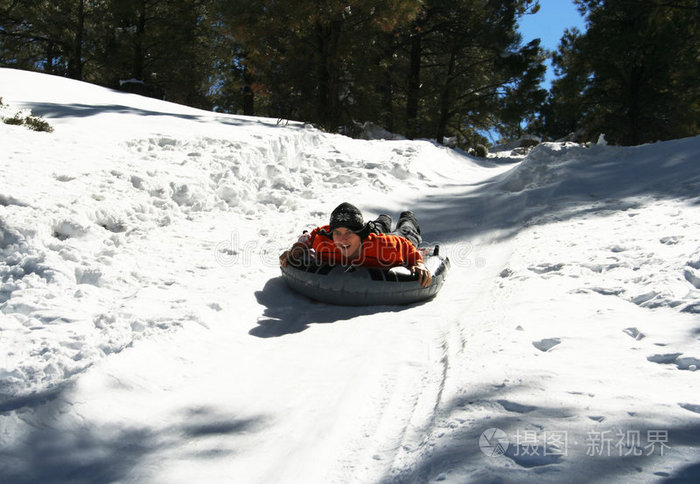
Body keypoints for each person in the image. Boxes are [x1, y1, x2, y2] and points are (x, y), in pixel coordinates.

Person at [279, 202, 432, 287]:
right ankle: (383, 220)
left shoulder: (383, 246)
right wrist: (297, 247)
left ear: (360, 235)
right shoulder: (325, 241)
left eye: (349, 233)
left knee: (406, 233)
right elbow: (311, 235)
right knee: (377, 226)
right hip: (367, 232)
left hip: (378, 238)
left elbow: (406, 246)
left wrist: (418, 263)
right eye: (337, 233)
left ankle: (408, 217)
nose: (342, 239)